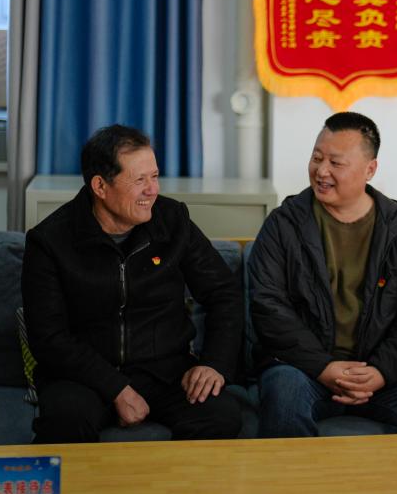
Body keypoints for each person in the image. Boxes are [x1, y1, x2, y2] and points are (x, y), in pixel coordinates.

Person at [22, 125, 243, 443]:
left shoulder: (173, 221)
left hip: (166, 371)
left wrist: (214, 364)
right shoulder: (50, 241)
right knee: (65, 422)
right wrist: (116, 388)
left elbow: (224, 293)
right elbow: (48, 337)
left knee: (221, 417)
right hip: (84, 376)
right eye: (140, 180)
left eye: (155, 176)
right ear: (100, 186)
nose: (153, 190)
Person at [249, 111, 397, 437]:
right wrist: (323, 367)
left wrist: (381, 372)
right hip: (304, 369)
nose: (321, 171)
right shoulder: (283, 224)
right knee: (284, 397)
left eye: (336, 162)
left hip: (384, 375)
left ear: (370, 169)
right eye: (317, 158)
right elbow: (268, 306)